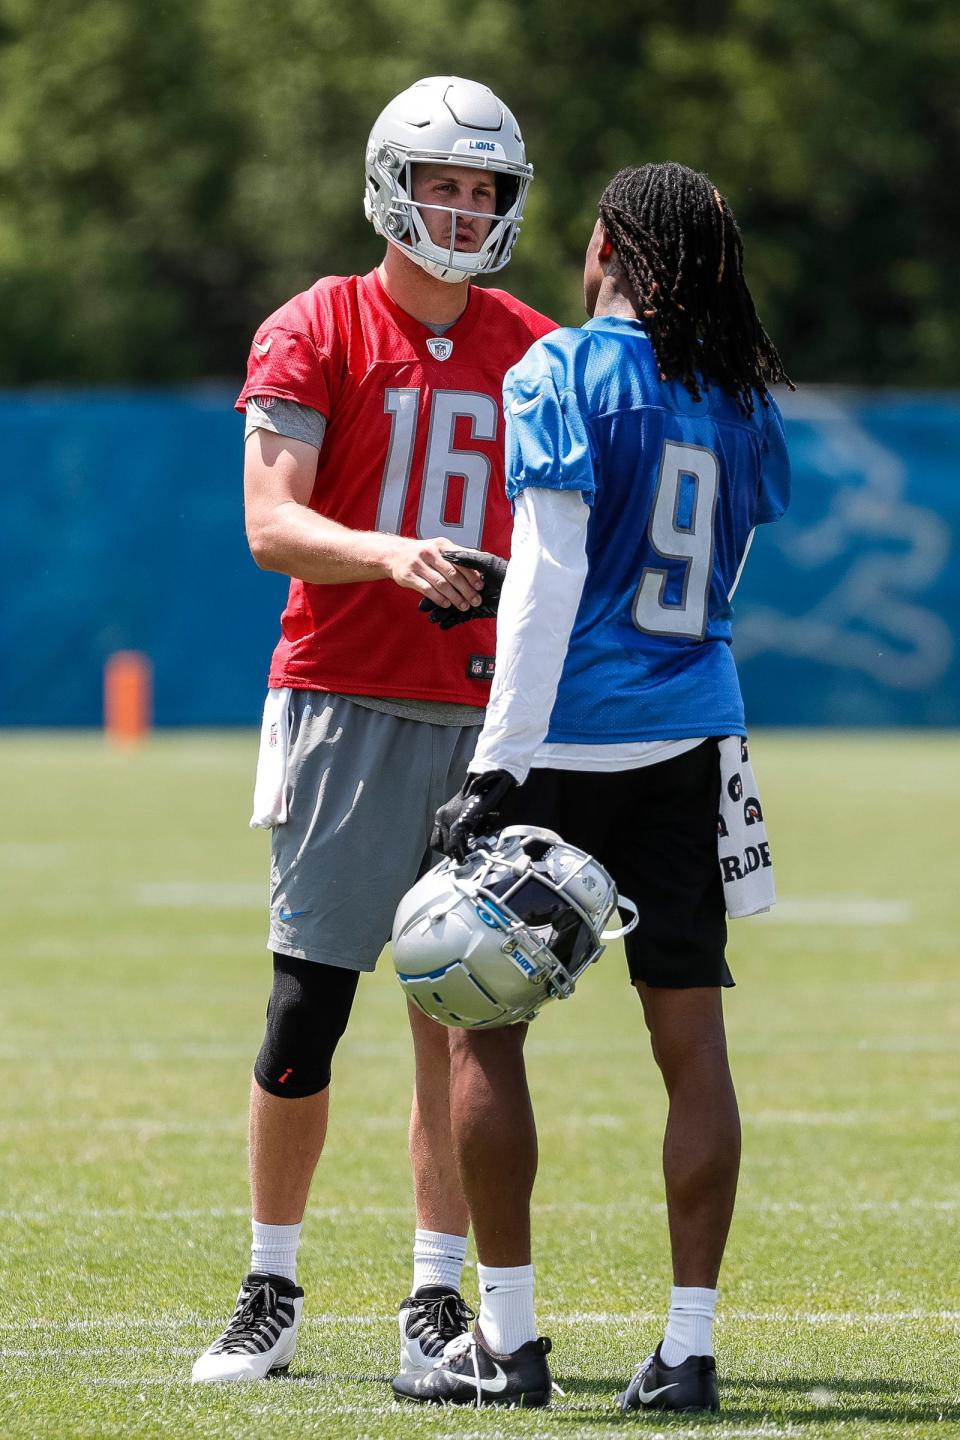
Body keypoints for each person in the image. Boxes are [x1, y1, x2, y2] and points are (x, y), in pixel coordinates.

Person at [392, 161, 792, 1411]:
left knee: (484, 1024)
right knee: (693, 1044)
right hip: (691, 739)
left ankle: (510, 1343)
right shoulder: (736, 392)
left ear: (607, 245)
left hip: (565, 743)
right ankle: (690, 1346)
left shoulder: (560, 370)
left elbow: (548, 581)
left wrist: (498, 760)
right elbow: (720, 579)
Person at [191, 75, 556, 1383]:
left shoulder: (536, 345)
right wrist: (391, 555)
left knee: (464, 1019)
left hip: (487, 718)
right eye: (444, 185)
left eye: (483, 191)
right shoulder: (317, 326)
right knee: (308, 1006)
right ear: (395, 185)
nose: (462, 210)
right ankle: (271, 1285)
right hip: (346, 698)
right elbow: (268, 525)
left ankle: (434, 1300)